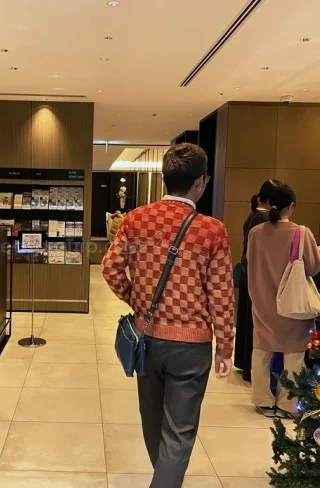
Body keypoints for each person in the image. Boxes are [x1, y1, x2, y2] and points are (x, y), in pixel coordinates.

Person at [101, 143, 235, 488]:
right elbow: (222, 294)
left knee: (151, 420)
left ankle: (164, 478)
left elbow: (111, 268)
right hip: (191, 347)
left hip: (146, 340)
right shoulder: (212, 231)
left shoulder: (136, 220)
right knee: (179, 431)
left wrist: (137, 300)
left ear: (164, 178)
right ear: (201, 182)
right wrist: (224, 347)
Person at [247, 185, 320, 418]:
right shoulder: (301, 233)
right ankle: (288, 405)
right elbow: (314, 267)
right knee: (294, 356)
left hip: (262, 302)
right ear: (291, 206)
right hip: (292, 305)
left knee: (262, 352)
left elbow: (251, 261)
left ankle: (262, 400)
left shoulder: (256, 233)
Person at [234, 179, 283, 382]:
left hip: (248, 272)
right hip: (258, 275)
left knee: (248, 321)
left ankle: (245, 364)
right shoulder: (264, 218)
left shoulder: (253, 215)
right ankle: (251, 369)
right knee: (257, 325)